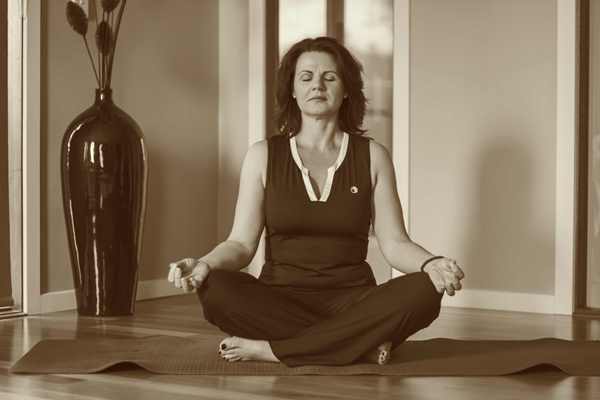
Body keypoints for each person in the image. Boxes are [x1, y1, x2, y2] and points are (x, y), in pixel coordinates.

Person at [167, 36, 465, 367]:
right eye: (306, 77)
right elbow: (240, 244)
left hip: (354, 302)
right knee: (216, 288)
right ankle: (356, 344)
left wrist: (431, 264)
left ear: (346, 89)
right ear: (293, 90)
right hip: (277, 300)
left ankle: (273, 350)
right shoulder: (262, 155)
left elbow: (395, 243)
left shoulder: (373, 156)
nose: (317, 85)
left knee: (425, 290)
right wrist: (205, 263)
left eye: (330, 77)